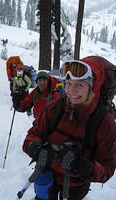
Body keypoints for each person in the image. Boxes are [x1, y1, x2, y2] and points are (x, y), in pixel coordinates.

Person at [22, 58, 116, 200]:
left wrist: (82, 165)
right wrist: (35, 149)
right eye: (69, 84)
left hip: (74, 190)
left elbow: (107, 169)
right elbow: (32, 135)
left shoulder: (104, 123)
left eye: (80, 85)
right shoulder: (54, 108)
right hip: (45, 179)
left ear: (92, 87)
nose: (71, 91)